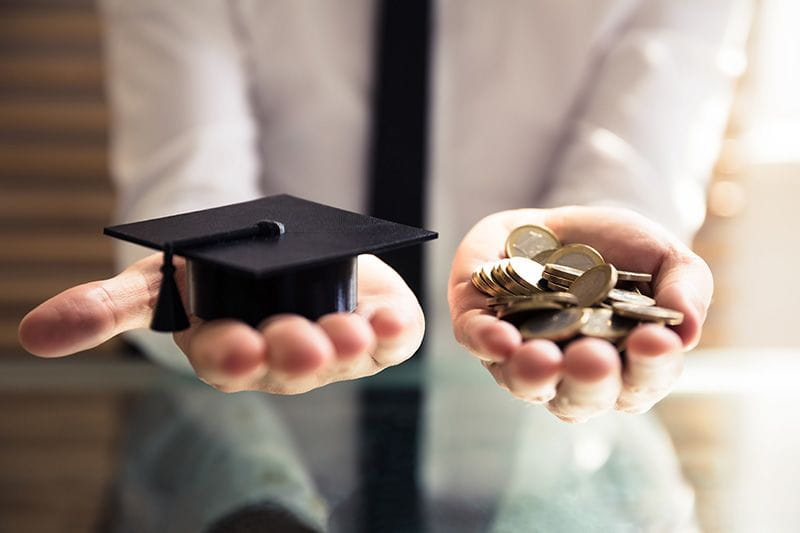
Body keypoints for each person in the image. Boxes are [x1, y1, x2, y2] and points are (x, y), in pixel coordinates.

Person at [17, 0, 749, 530]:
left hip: (551, 464)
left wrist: (600, 276)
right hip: (246, 450)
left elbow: (633, 177)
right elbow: (188, 181)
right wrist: (208, 269)